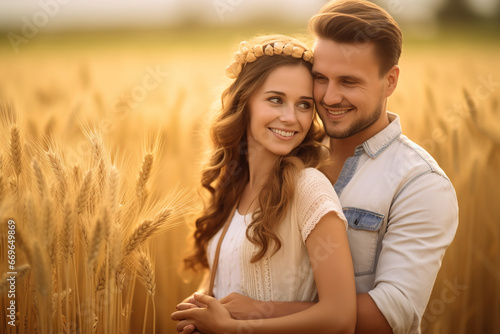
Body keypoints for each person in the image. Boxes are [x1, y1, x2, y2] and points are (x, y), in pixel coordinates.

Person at [177, 1, 459, 333]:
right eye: (321, 79)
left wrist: (254, 314)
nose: (329, 96)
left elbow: (387, 317)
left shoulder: (420, 184)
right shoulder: (282, 154)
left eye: (349, 82)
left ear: (390, 81)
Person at [171, 35, 357, 333]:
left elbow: (341, 318)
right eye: (275, 100)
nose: (290, 118)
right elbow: (220, 285)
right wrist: (198, 312)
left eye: (304, 105)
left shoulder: (309, 188)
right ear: (244, 103)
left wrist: (231, 328)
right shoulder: (231, 186)